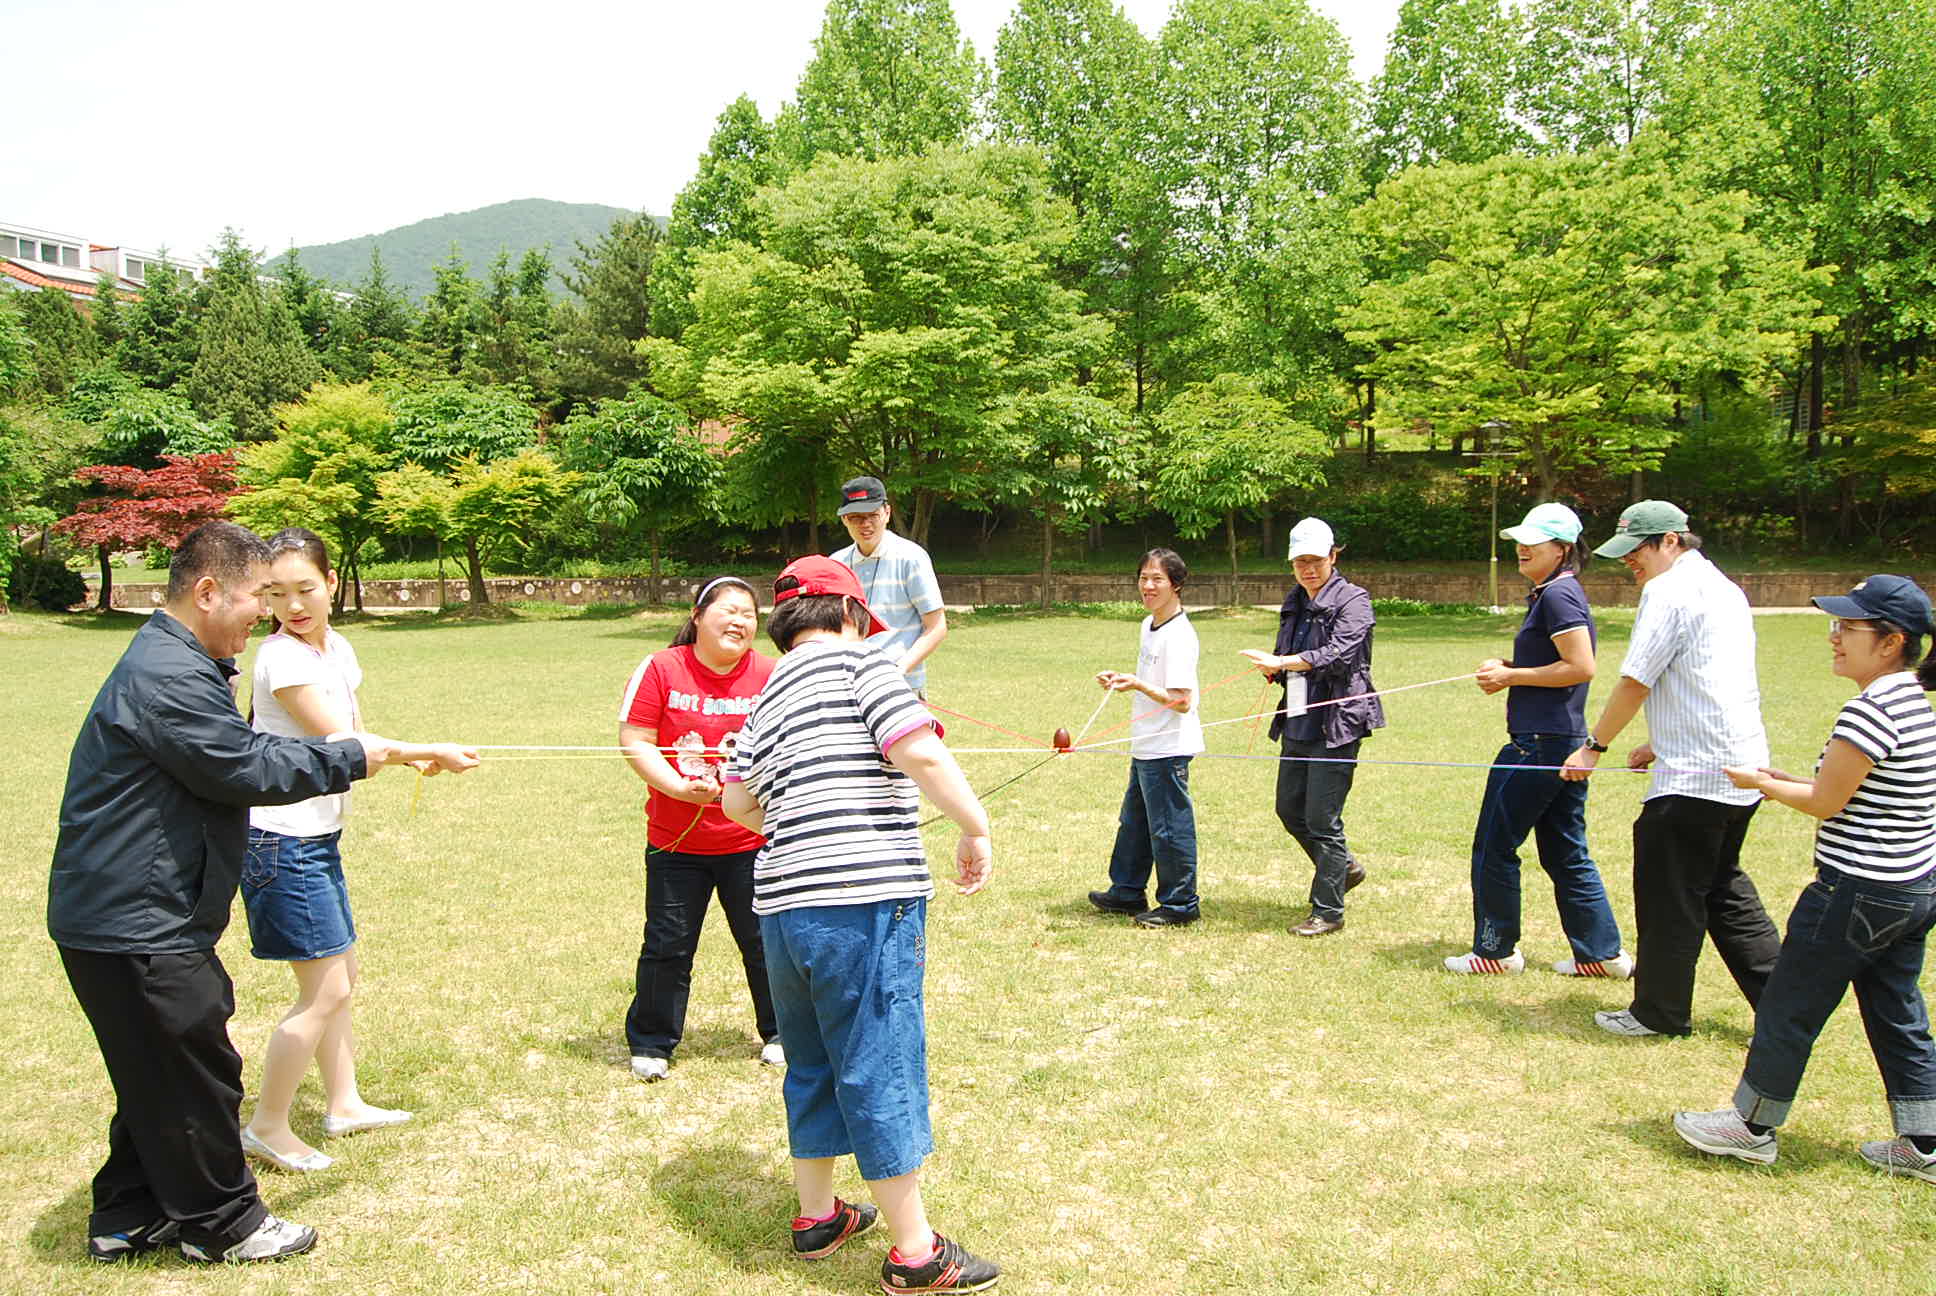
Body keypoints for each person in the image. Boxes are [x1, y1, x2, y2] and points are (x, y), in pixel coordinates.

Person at [48, 521, 477, 1265]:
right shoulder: (170, 674)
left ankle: (128, 1215)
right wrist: (356, 756)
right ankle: (225, 1225)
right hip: (136, 918)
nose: (264, 613)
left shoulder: (174, 660)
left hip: (119, 914)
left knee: (157, 1071)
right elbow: (242, 767)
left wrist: (364, 753)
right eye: (257, 596)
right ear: (208, 591)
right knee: (196, 1069)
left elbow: (238, 755)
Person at [721, 555, 1001, 1295]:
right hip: (863, 903)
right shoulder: (865, 665)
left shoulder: (767, 694)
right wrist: (974, 825)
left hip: (782, 910)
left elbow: (736, 805)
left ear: (783, 626)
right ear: (851, 616)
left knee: (810, 1059)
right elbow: (916, 749)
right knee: (880, 1059)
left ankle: (817, 1217)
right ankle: (916, 1253)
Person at [1672, 575, 1936, 1184]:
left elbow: (1825, 802)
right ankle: (1924, 1143)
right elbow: (1861, 793)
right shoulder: (1916, 699)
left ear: (1892, 640)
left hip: (1855, 891)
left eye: (1849, 628)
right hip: (1912, 888)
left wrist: (1764, 784)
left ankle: (1752, 1127)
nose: (1834, 638)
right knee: (1898, 1010)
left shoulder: (1870, 710)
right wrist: (1782, 777)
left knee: (1788, 1005)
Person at [238, 529, 422, 1175]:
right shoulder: (281, 659)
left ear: (331, 583)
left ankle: (343, 1104)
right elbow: (340, 739)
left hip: (316, 836)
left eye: (305, 589)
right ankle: (267, 1125)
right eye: (276, 593)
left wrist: (404, 758)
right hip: (278, 840)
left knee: (343, 979)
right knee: (324, 990)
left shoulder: (336, 646)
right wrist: (425, 753)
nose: (292, 605)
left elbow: (356, 731)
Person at [1561, 500, 1781, 1038]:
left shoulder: (1668, 592)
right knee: (1722, 889)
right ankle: (1784, 1008)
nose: (1629, 563)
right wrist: (1659, 741)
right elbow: (1708, 677)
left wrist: (1594, 746)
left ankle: (1658, 1012)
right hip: (1738, 768)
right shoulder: (1724, 588)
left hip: (1695, 782)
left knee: (1669, 895)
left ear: (1670, 541)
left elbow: (1636, 680)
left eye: (1637, 550)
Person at [1446, 504, 1628, 977]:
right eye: (1520, 540)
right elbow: (1560, 662)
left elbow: (1581, 667)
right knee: (1565, 849)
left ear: (1563, 549)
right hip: (1559, 739)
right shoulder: (1549, 593)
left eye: (1535, 541)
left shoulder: (1559, 596)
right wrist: (1510, 669)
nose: (1523, 548)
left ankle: (1495, 950)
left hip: (1540, 744)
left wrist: (1511, 676)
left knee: (1494, 845)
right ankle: (1601, 955)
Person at [616, 576, 780, 1082]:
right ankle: (652, 1041)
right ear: (696, 615)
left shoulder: (774, 674)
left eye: (750, 614)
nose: (740, 621)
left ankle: (782, 1031)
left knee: (765, 941)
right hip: (677, 840)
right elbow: (636, 739)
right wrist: (677, 787)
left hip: (752, 839)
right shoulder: (661, 669)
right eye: (728, 610)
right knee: (667, 941)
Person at [1241, 517, 1383, 938]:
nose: (1308, 569)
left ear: (1333, 557)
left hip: (1339, 720)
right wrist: (1276, 668)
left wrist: (1283, 663)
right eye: (1300, 561)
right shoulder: (1295, 599)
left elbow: (1338, 655)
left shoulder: (1355, 601)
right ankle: (1345, 868)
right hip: (1300, 714)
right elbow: (1288, 650)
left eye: (1316, 560)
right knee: (1289, 808)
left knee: (1323, 817)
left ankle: (1328, 911)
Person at [1085, 548, 1204, 928]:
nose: (1148, 586)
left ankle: (1180, 903)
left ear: (1177, 584)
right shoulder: (1148, 625)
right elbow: (1156, 686)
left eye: (1157, 579)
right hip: (1146, 744)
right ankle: (1126, 890)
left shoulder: (1180, 635)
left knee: (1169, 827)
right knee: (1134, 821)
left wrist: (1136, 684)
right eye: (1143, 578)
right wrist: (1127, 680)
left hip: (1169, 747)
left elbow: (1182, 701)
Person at [828, 475, 947, 695]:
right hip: (848, 688)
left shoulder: (911, 558)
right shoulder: (836, 563)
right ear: (844, 519)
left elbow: (937, 626)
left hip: (902, 687)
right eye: (855, 517)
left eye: (872, 515)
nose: (865, 524)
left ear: (887, 513)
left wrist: (897, 670)